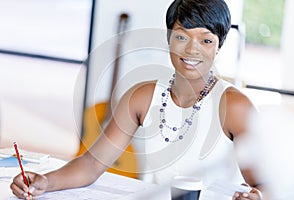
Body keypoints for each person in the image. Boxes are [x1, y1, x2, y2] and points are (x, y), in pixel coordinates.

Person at [10, 0, 263, 199]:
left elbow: (263, 184)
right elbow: (92, 163)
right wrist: (46, 181)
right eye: (181, 36)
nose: (192, 49)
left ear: (218, 47)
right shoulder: (142, 96)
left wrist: (259, 195)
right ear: (168, 39)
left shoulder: (234, 106)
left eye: (206, 40)